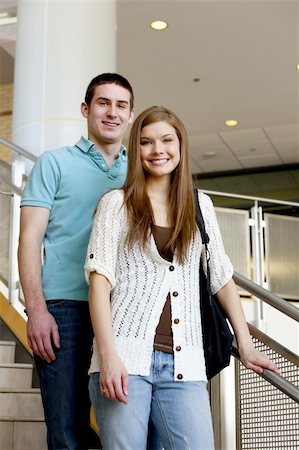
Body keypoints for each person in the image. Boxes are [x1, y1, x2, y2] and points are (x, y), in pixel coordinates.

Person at [85, 105, 279, 450]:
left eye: (166, 140)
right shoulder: (116, 204)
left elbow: (220, 276)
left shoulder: (199, 205)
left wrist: (245, 342)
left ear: (180, 145)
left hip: (186, 363)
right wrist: (108, 356)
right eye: (146, 142)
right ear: (136, 150)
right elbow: (100, 283)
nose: (157, 150)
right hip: (124, 358)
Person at [18, 73, 135, 450]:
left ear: (131, 115)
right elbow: (29, 240)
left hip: (125, 311)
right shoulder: (53, 163)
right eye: (103, 103)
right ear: (86, 109)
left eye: (121, 105)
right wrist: (36, 311)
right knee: (67, 428)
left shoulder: (141, 171)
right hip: (64, 309)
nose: (112, 113)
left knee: (124, 425)